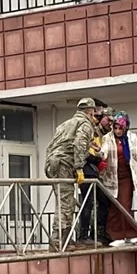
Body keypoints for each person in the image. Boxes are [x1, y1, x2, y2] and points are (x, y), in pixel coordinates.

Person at [44, 97, 103, 247]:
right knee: (66, 204)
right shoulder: (85, 123)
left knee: (64, 202)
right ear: (91, 112)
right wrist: (79, 167)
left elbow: (56, 145)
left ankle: (64, 239)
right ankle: (58, 242)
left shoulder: (66, 123)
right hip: (64, 164)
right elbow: (79, 144)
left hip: (54, 163)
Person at [99, 112, 137, 244]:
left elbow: (136, 157)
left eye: (120, 128)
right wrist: (99, 152)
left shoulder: (132, 137)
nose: (117, 131)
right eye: (115, 128)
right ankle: (116, 236)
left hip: (127, 177)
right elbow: (104, 152)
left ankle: (131, 234)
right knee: (114, 206)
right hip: (112, 177)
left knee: (125, 205)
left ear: (126, 127)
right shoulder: (107, 138)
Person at [76, 110, 113, 244]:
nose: (110, 123)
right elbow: (82, 150)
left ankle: (97, 233)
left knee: (103, 201)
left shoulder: (102, 133)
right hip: (86, 169)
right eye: (97, 116)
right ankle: (83, 236)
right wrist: (96, 160)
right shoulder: (86, 128)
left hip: (93, 170)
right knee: (88, 202)